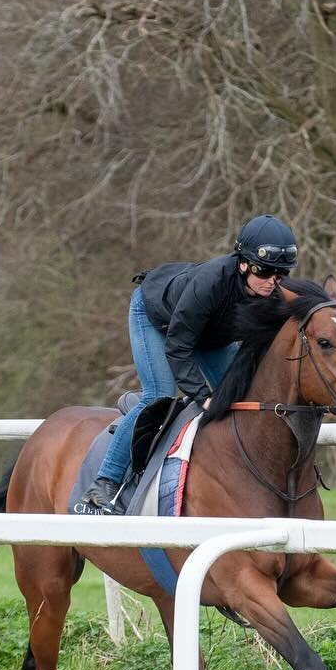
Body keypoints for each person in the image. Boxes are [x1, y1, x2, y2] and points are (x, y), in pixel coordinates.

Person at [82, 214, 300, 512]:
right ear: (243, 263)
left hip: (210, 334)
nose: (272, 282)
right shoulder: (210, 283)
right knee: (158, 395)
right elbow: (178, 347)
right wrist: (204, 396)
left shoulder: (273, 294)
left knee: (245, 396)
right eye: (265, 272)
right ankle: (104, 483)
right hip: (157, 319)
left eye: (281, 273)